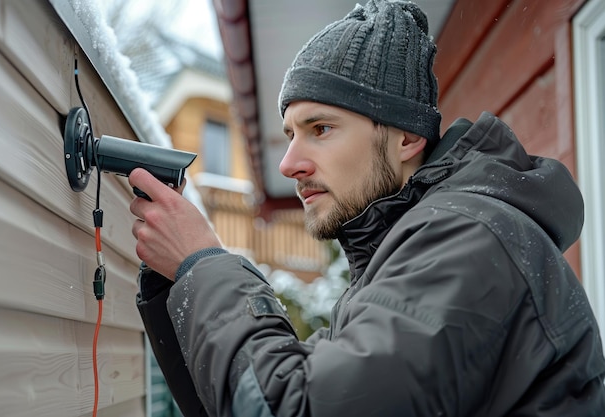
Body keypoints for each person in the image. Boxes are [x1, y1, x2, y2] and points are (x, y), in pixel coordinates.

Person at [130, 0, 605, 416]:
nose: (289, 163)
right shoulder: (410, 252)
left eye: (321, 128)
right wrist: (182, 283)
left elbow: (294, 408)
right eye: (290, 133)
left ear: (407, 137)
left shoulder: (470, 242)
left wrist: (205, 266)